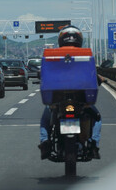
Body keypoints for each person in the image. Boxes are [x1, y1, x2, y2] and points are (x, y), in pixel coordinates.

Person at [38, 25, 103, 160]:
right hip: (82, 101)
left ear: (61, 39)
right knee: (97, 118)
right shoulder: (86, 54)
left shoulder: (53, 55)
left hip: (57, 100)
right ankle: (94, 144)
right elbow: (91, 74)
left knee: (45, 118)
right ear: (79, 39)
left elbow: (45, 74)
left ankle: (45, 142)